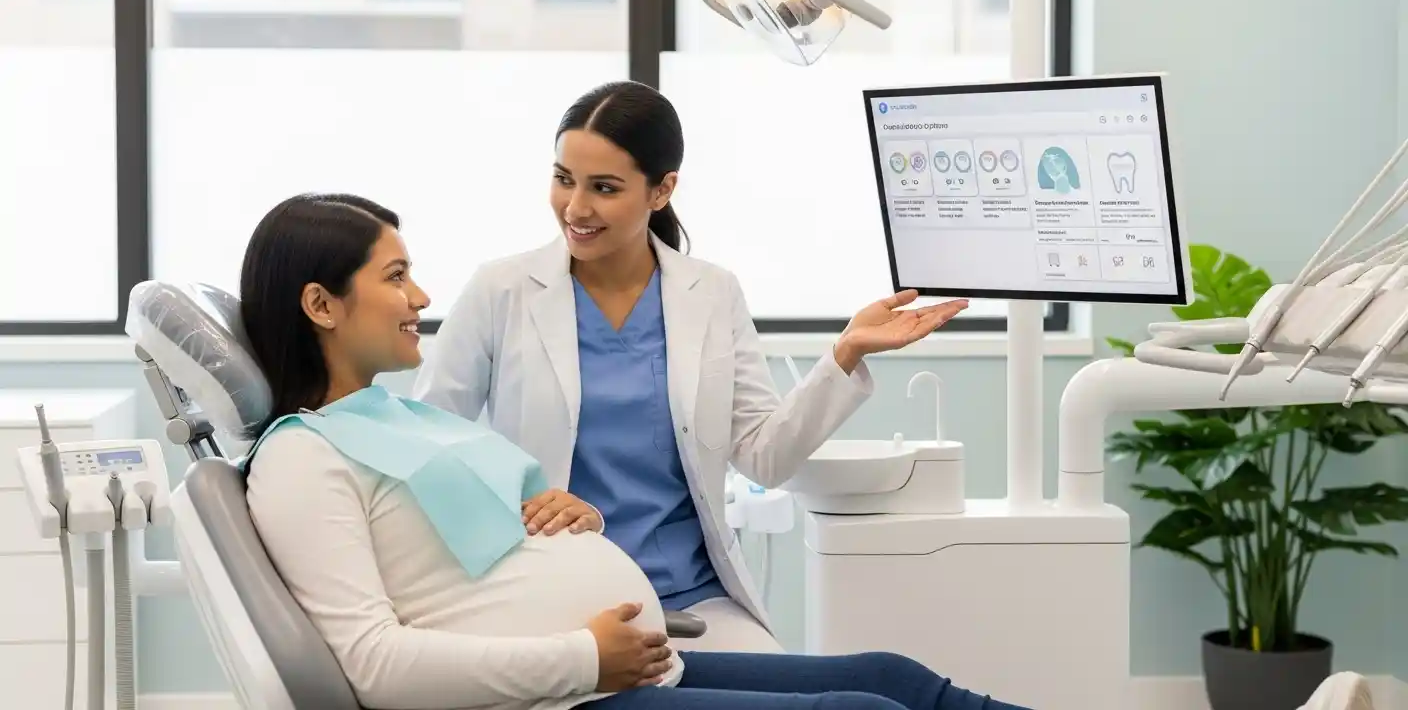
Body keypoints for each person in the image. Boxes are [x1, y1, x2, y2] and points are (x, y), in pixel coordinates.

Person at [239, 192, 1031, 710]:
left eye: (606, 186)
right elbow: (371, 664)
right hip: (568, 692)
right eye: (398, 276)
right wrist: (583, 658)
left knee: (892, 679)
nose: (420, 297)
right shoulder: (302, 458)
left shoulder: (389, 420)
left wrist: (565, 513)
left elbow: (463, 551)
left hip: (628, 658)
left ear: (660, 190)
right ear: (321, 304)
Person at [412, 81, 970, 652]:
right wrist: (517, 500)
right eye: (563, 179)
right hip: (556, 594)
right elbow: (429, 445)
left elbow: (763, 455)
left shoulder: (711, 293)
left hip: (694, 598)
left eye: (604, 188)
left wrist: (845, 353)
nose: (575, 208)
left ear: (662, 190)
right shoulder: (501, 290)